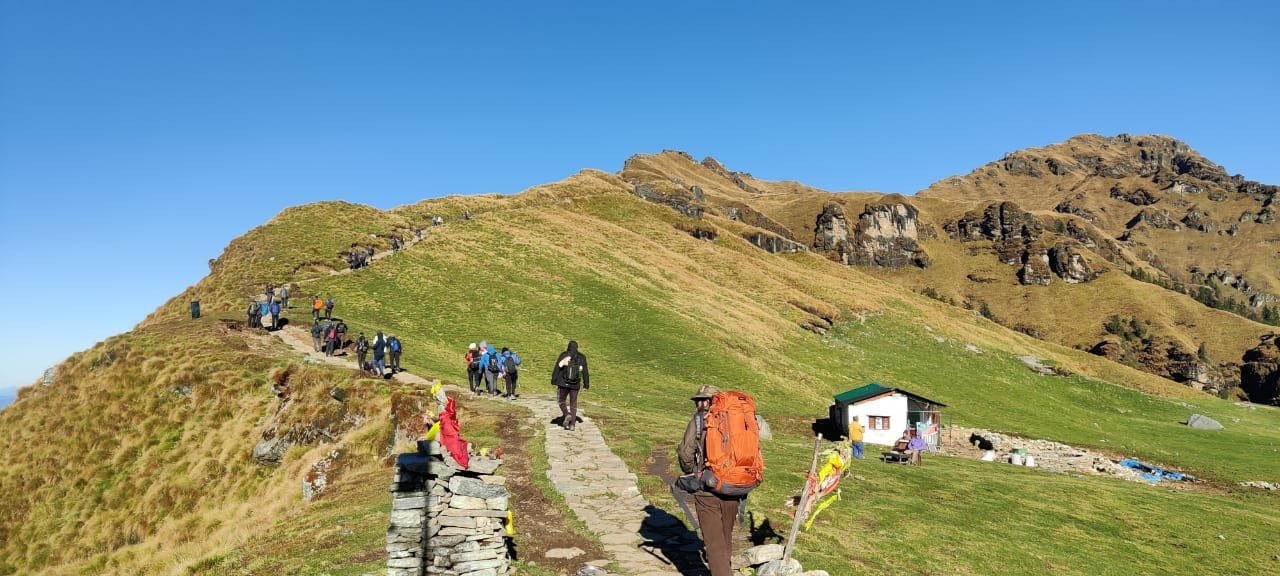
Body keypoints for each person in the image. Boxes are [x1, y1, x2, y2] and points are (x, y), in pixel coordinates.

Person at [677, 384, 740, 576]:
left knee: (713, 543)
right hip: (734, 486)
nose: (697, 405)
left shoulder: (699, 419)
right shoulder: (736, 419)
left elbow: (685, 452)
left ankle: (722, 572)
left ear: (707, 401)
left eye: (699, 401)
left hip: (707, 488)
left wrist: (694, 473)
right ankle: (725, 568)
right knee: (725, 534)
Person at [551, 340, 589, 430]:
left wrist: (554, 380)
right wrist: (586, 385)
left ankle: (566, 414)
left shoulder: (564, 355)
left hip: (563, 383)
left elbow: (557, 368)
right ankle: (572, 425)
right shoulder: (582, 357)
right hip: (575, 384)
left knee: (561, 400)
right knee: (573, 403)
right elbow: (585, 372)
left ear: (568, 347)